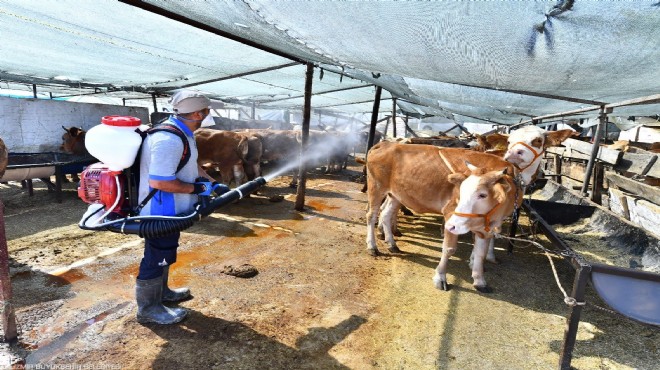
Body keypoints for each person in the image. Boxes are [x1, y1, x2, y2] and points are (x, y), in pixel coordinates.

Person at [135, 90, 226, 325]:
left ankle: (162, 293)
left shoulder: (182, 133)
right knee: (156, 256)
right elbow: (160, 182)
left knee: (165, 252)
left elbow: (190, 163)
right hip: (160, 209)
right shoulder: (169, 140)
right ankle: (148, 309)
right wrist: (197, 190)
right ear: (197, 113)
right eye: (207, 111)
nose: (208, 115)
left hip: (173, 208)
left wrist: (212, 184)